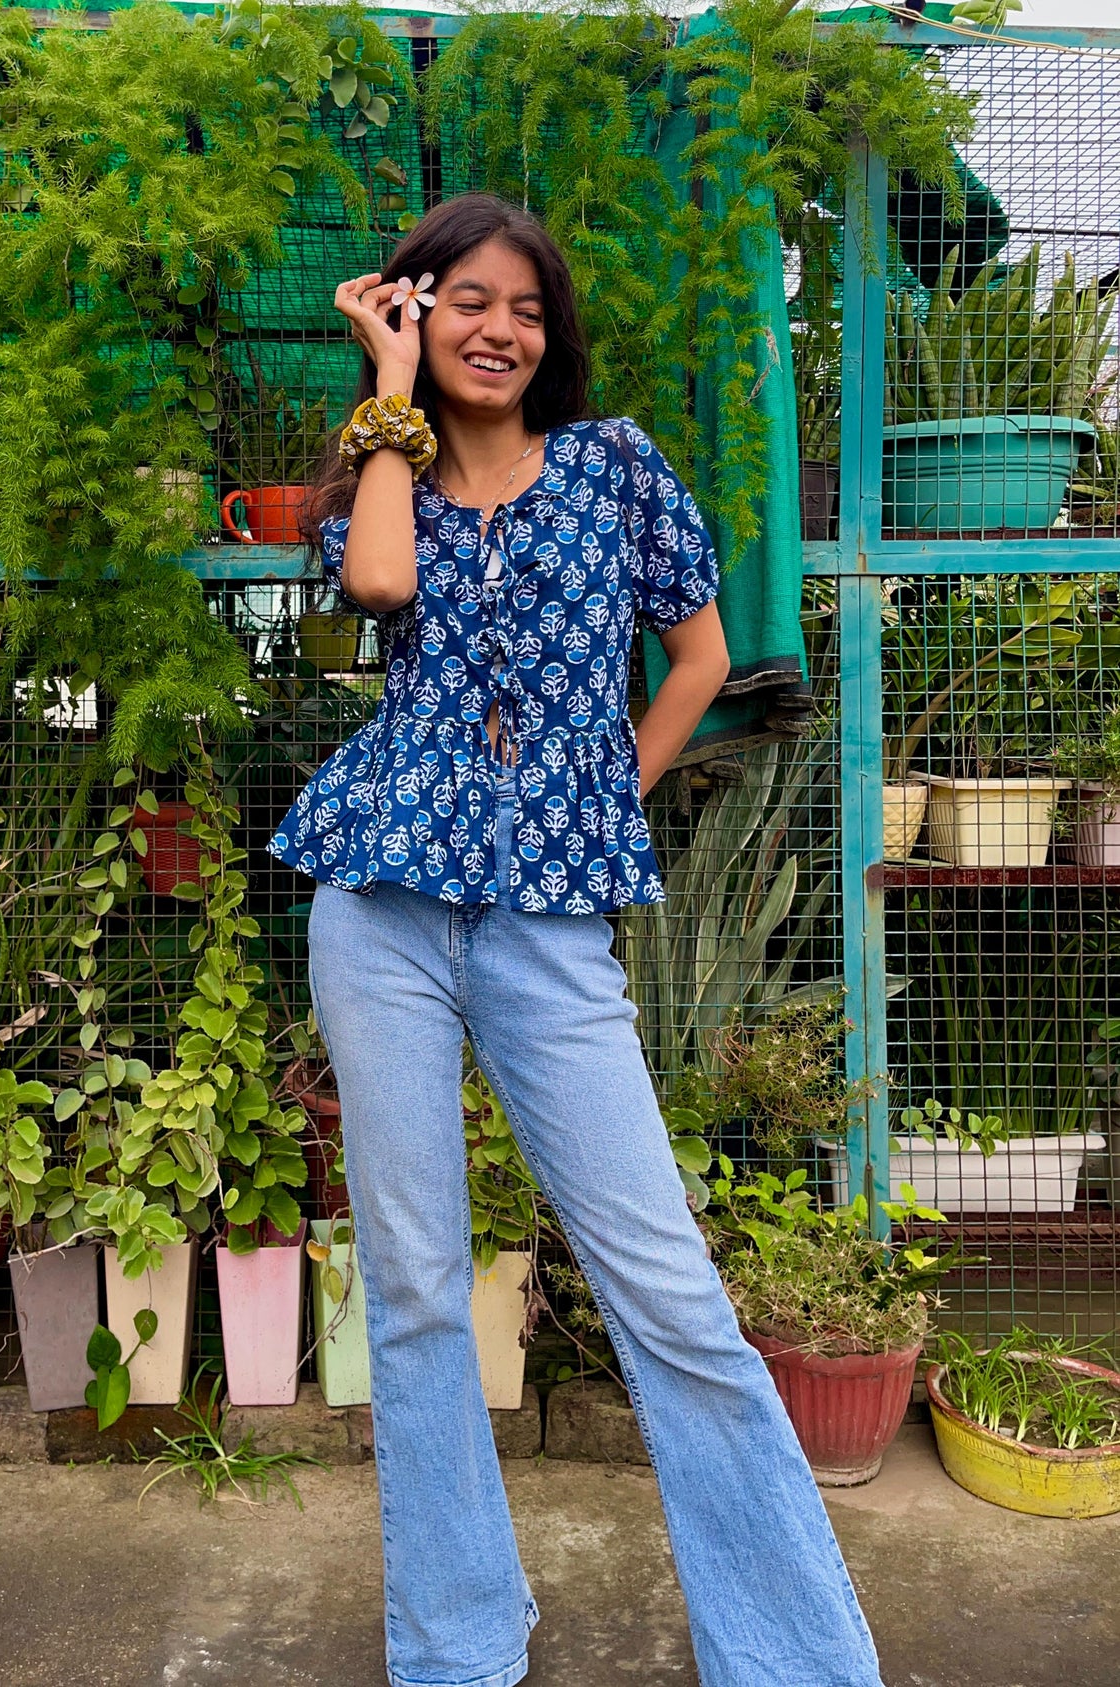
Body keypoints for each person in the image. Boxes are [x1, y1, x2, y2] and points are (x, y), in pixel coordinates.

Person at [269, 193, 883, 1687]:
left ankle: (795, 1660)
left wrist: (608, 787)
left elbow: (704, 653)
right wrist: (390, 397)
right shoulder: (373, 473)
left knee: (666, 1293)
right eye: (463, 300)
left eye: (525, 309)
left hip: (548, 929)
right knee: (412, 1293)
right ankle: (456, 1644)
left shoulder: (613, 466)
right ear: (412, 310)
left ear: (552, 337)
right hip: (380, 902)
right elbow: (378, 589)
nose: (499, 329)